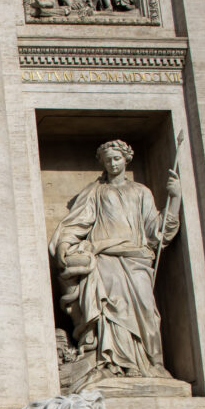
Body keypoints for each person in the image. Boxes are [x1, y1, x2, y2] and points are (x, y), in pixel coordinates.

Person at [50, 139, 181, 390]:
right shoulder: (95, 192)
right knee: (111, 311)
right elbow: (78, 223)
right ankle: (113, 364)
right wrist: (65, 245)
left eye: (117, 158)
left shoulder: (141, 192)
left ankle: (146, 363)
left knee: (145, 312)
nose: (112, 163)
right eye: (108, 159)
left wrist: (174, 199)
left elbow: (157, 232)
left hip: (136, 260)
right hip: (105, 260)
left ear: (126, 159)